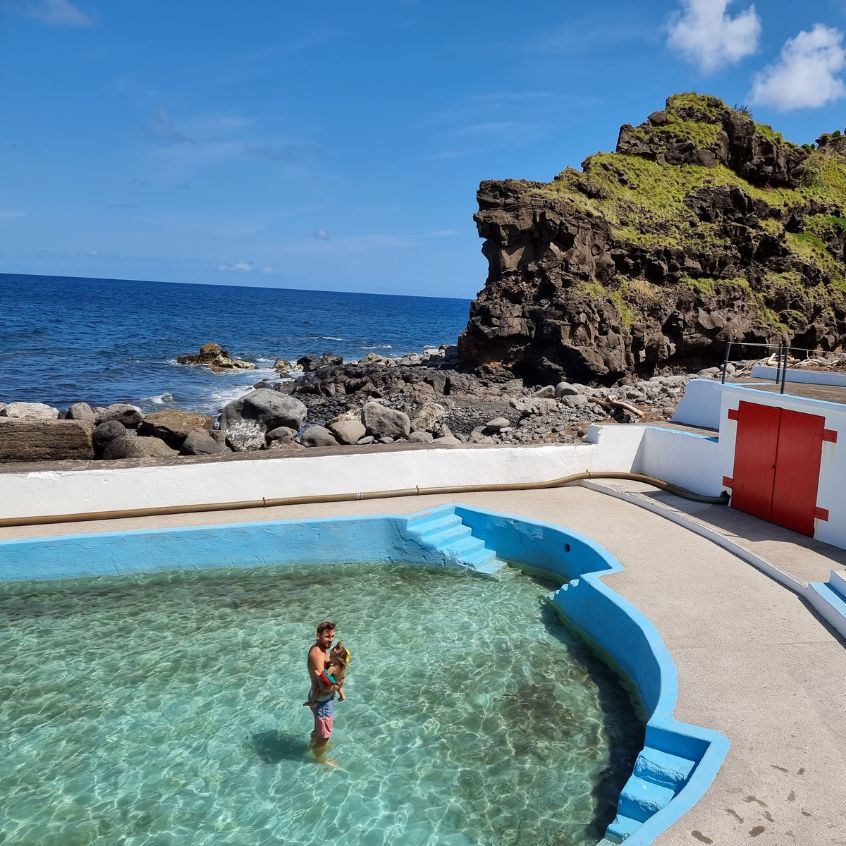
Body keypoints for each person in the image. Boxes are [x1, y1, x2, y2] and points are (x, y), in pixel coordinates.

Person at [306, 621, 344, 761]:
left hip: (320, 699)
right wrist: (339, 687)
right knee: (325, 736)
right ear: (318, 636)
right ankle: (320, 759)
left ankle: (314, 744)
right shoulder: (318, 655)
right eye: (327, 637)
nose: (331, 640)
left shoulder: (322, 649)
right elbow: (323, 686)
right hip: (321, 700)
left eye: (332, 636)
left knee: (319, 731)